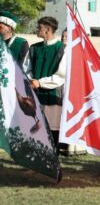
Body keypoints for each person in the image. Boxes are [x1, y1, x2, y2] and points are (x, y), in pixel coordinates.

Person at [23, 16, 67, 155]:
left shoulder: (63, 49)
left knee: (53, 130)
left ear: (48, 30)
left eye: (39, 27)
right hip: (35, 95)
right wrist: (31, 80)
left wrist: (40, 82)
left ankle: (53, 163)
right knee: (36, 128)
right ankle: (37, 162)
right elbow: (26, 69)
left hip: (53, 96)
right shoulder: (34, 48)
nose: (37, 29)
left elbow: (61, 75)